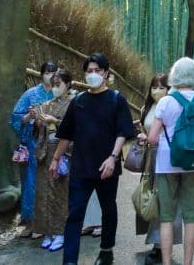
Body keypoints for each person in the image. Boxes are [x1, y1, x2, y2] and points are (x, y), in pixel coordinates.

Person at [52, 53, 138, 265]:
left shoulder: (116, 99)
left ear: (106, 73)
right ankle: (69, 261)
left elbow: (122, 132)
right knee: (74, 214)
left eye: (97, 70)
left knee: (108, 209)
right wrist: (55, 159)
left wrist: (113, 158)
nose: (93, 74)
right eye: (89, 71)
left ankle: (106, 251)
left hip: (107, 166)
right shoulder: (78, 101)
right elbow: (66, 134)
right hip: (81, 166)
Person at [148, 57, 194, 265]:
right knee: (191, 218)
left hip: (167, 164)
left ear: (174, 76)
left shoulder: (166, 101)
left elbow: (152, 138)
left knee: (166, 218)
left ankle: (167, 262)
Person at [135, 74, 183, 264]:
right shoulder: (146, 108)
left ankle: (160, 245)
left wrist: (151, 138)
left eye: (161, 87)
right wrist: (144, 137)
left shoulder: (172, 106)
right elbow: (146, 130)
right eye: (154, 87)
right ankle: (157, 242)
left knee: (165, 201)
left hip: (167, 157)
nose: (157, 91)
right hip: (150, 158)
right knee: (150, 198)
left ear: (169, 89)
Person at [11, 60, 58, 236]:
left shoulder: (59, 93)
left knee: (54, 181)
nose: (50, 76)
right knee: (31, 182)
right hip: (32, 145)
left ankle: (52, 222)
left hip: (54, 144)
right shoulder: (30, 94)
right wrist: (29, 117)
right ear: (41, 74)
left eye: (53, 72)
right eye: (47, 72)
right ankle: (30, 221)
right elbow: (15, 119)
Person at [32, 69, 74, 251]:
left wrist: (55, 121)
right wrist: (37, 120)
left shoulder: (73, 105)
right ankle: (46, 231)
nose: (55, 88)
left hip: (63, 151)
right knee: (43, 192)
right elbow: (37, 129)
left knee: (60, 192)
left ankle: (61, 232)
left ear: (68, 84)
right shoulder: (45, 104)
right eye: (53, 85)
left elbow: (75, 128)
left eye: (58, 85)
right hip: (45, 151)